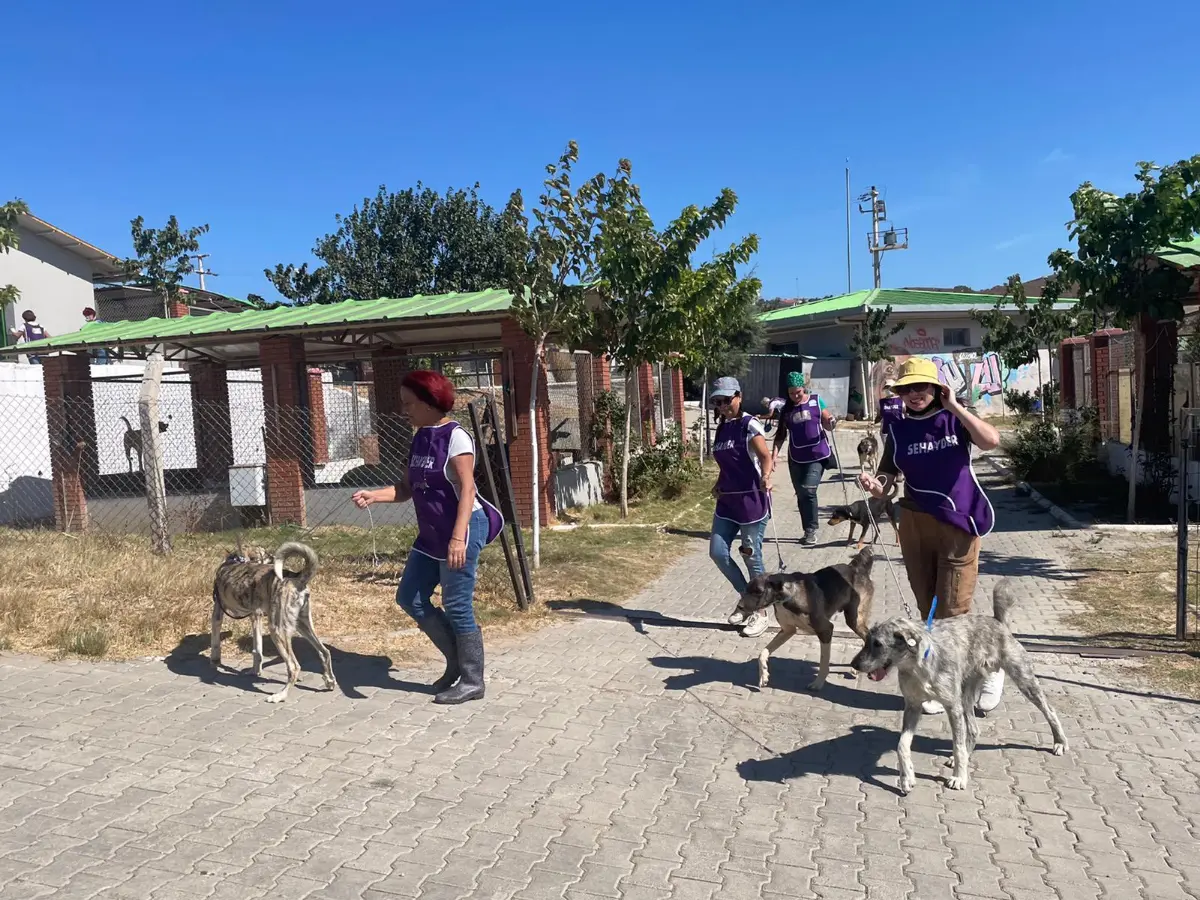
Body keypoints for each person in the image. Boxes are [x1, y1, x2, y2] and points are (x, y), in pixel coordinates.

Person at [857, 357, 1003, 715]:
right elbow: (888, 480)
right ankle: (938, 681)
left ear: (937, 388)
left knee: (954, 609)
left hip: (958, 520)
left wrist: (954, 405)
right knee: (929, 609)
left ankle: (989, 669)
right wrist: (876, 487)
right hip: (915, 523)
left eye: (921, 387)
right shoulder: (897, 428)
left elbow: (991, 441)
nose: (914, 394)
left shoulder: (954, 417)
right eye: (906, 389)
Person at [351, 369, 503, 704]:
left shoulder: (456, 437)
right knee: (410, 598)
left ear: (430, 402)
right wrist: (374, 495)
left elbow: (468, 490)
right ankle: (456, 664)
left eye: (409, 403)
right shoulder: (419, 437)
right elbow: (406, 489)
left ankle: (473, 680)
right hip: (431, 533)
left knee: (457, 605)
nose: (404, 409)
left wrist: (458, 539)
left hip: (462, 528)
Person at [709, 377, 775, 639]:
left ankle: (761, 612)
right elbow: (726, 465)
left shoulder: (750, 424)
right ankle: (748, 601)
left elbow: (765, 457)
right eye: (718, 401)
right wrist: (717, 484)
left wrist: (766, 476)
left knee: (751, 555)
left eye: (727, 400)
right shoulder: (722, 427)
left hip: (751, 502)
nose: (723, 406)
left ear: (739, 396)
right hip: (727, 501)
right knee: (717, 552)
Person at [772, 371, 837, 545]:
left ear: (804, 389)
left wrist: (831, 421)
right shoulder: (787, 409)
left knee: (809, 490)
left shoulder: (816, 400)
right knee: (801, 494)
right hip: (797, 457)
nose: (795, 396)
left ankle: (811, 530)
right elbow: (780, 435)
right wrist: (774, 456)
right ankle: (807, 529)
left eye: (798, 392)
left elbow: (827, 421)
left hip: (817, 455)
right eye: (791, 393)